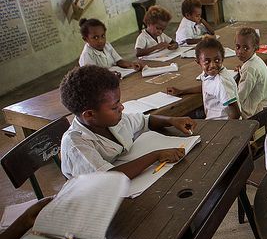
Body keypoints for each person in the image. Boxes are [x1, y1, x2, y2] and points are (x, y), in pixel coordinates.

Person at [59, 66, 195, 179]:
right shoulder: (76, 144)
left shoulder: (112, 120)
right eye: (114, 106)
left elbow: (144, 120)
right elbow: (107, 179)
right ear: (89, 114)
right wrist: (156, 155)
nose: (121, 107)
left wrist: (172, 120)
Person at [167, 36, 241, 120]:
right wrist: (182, 91)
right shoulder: (207, 74)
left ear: (222, 59)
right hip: (213, 118)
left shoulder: (221, 83)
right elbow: (206, 86)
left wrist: (224, 131)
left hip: (221, 124)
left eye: (217, 60)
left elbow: (236, 114)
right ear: (198, 62)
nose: (212, 65)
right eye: (207, 61)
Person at [235, 27, 267, 119]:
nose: (240, 51)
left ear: (255, 48)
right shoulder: (256, 60)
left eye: (246, 48)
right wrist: (242, 70)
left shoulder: (250, 68)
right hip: (265, 106)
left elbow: (240, 96)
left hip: (256, 112)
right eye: (237, 47)